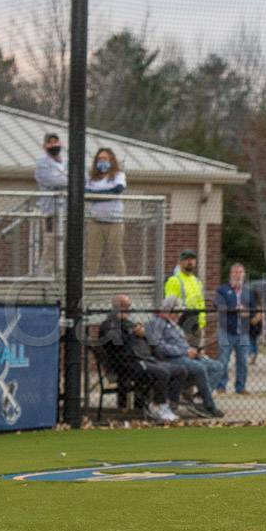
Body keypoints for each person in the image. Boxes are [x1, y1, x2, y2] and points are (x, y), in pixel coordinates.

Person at [98, 294, 186, 422]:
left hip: (145, 359)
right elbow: (116, 344)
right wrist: (132, 332)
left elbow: (146, 337)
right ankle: (158, 406)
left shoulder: (129, 323)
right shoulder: (109, 324)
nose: (128, 309)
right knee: (163, 373)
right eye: (125, 306)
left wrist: (142, 333)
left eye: (128, 306)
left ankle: (168, 405)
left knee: (180, 370)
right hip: (127, 363)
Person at [145, 296, 225, 418]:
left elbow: (182, 344)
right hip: (170, 359)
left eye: (180, 311)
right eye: (177, 312)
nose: (179, 315)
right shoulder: (156, 323)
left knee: (218, 366)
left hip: (185, 356)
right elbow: (159, 348)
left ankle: (199, 401)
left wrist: (194, 351)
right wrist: (184, 351)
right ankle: (210, 406)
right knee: (199, 368)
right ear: (168, 310)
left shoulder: (174, 324)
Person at [85, 147, 127, 276]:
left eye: (105, 159)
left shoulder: (118, 175)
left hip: (114, 222)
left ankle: (121, 283)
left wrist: (97, 196)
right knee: (93, 255)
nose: (102, 162)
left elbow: (117, 190)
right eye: (99, 159)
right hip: (96, 222)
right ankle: (89, 283)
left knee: (116, 254)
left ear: (111, 160)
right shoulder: (92, 178)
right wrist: (103, 195)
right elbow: (86, 194)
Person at [216, 263, 256, 394]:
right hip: (226, 330)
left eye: (240, 272)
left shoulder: (248, 291)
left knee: (243, 361)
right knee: (223, 360)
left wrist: (248, 313)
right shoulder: (223, 290)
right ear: (230, 274)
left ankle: (240, 387)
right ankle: (221, 386)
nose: (238, 275)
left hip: (243, 332)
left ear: (244, 275)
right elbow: (218, 305)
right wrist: (234, 310)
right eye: (235, 272)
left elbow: (254, 310)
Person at [32, 132, 67, 275]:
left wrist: (66, 180)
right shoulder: (42, 164)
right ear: (45, 146)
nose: (53, 145)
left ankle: (64, 277)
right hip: (51, 213)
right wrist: (70, 180)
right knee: (51, 247)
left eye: (56, 142)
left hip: (68, 212)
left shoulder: (68, 162)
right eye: (50, 143)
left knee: (68, 248)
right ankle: (45, 278)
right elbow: (53, 182)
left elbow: (82, 179)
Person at [163, 249, 208, 341]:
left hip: (195, 324)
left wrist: (202, 324)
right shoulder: (174, 280)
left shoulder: (197, 281)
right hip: (181, 323)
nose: (190, 262)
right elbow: (169, 305)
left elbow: (201, 304)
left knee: (196, 352)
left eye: (192, 259)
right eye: (186, 259)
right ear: (180, 262)